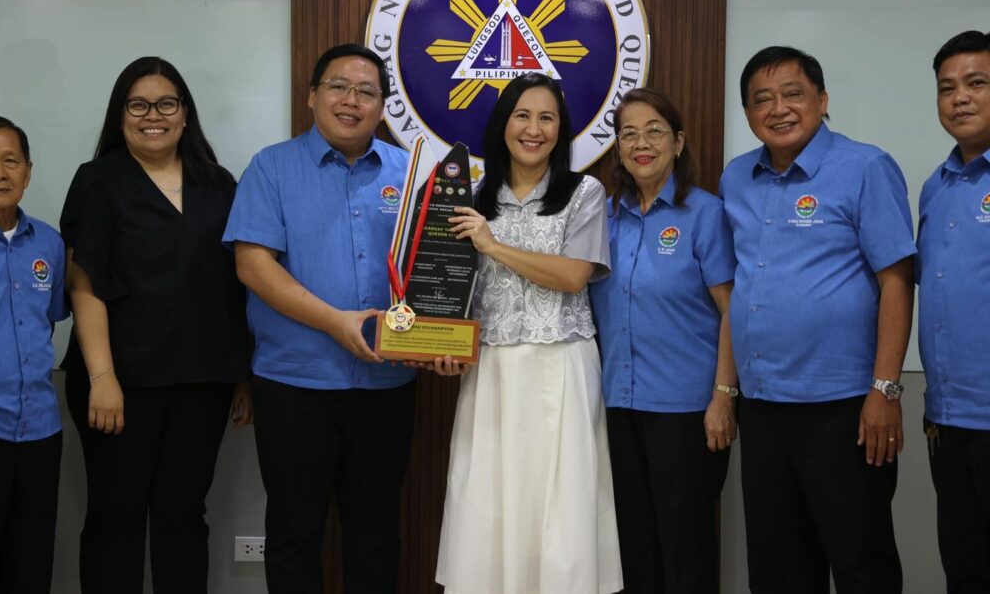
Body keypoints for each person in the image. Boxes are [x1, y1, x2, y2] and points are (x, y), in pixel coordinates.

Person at [721, 46, 915, 593]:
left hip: (845, 409)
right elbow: (738, 286)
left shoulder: (865, 167)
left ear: (822, 100)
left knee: (860, 564)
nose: (778, 109)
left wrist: (885, 390)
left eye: (793, 94)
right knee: (778, 569)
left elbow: (897, 281)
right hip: (763, 408)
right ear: (748, 112)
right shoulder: (737, 178)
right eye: (762, 99)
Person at [223, 43, 415, 594]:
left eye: (366, 91)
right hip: (294, 384)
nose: (351, 100)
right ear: (312, 95)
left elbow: (434, 268)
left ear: (382, 106)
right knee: (293, 533)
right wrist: (336, 322)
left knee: (376, 534)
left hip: (386, 384)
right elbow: (252, 266)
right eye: (338, 86)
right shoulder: (271, 167)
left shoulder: (410, 173)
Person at [60, 57, 252, 594]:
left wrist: (241, 374)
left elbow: (234, 284)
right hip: (119, 382)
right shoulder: (99, 180)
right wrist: (102, 378)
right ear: (120, 115)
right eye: (139, 105)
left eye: (166, 104)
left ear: (185, 113)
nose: (153, 116)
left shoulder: (218, 183)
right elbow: (84, 284)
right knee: (115, 517)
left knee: (183, 516)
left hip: (202, 381)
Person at [433, 72, 622, 594]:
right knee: (489, 499)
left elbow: (574, 275)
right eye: (522, 116)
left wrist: (493, 245)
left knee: (560, 504)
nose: (533, 129)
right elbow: (452, 289)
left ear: (561, 130)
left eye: (547, 118)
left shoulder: (583, 193)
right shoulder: (474, 199)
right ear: (503, 124)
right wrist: (442, 344)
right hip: (492, 370)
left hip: (561, 365)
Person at [589, 88, 736, 594]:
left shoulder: (705, 214)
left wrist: (724, 398)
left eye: (654, 131)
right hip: (617, 406)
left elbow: (732, 312)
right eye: (629, 134)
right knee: (633, 549)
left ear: (678, 141)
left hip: (688, 412)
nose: (641, 144)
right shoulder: (604, 216)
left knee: (685, 550)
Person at [0, 115, 67, 594]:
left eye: (10, 161)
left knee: (30, 569)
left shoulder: (48, 243)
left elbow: (49, 320)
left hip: (40, 433)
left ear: (28, 171)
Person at [917, 30, 990, 592]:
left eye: (976, 83)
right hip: (947, 418)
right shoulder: (934, 188)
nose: (959, 98)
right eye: (947, 88)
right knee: (963, 568)